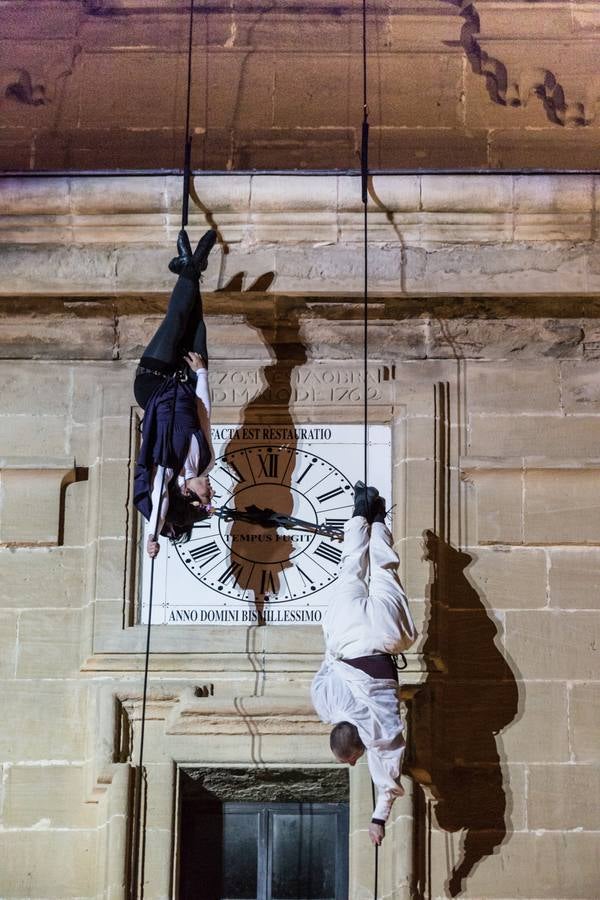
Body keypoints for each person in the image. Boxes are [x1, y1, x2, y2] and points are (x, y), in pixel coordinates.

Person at [311, 482, 417, 846]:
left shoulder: (377, 732)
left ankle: (380, 517)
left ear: (361, 746)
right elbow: (326, 665)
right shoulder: (324, 704)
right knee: (350, 568)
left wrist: (378, 820)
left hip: (385, 636)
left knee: (385, 570)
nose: (358, 762)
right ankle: (360, 513)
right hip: (346, 632)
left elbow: (386, 775)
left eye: (354, 758)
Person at [133, 228, 218, 558]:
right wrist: (202, 373)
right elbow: (204, 414)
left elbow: (158, 497)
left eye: (204, 496)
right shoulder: (206, 459)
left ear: (186, 492)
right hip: (186, 383)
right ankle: (188, 263)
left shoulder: (167, 469)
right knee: (197, 322)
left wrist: (152, 536)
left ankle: (194, 262)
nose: (210, 492)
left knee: (177, 317)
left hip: (153, 385)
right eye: (209, 496)